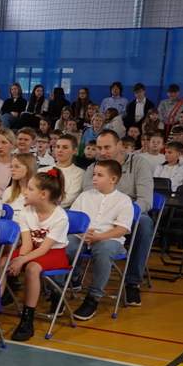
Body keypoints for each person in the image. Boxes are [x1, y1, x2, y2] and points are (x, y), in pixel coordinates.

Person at [66, 160, 135, 321]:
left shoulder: (124, 200)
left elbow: (122, 229)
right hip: (83, 236)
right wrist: (83, 233)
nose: (94, 178)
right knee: (67, 244)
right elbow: (73, 219)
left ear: (113, 179)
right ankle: (68, 283)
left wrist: (99, 237)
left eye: (99, 175)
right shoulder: (85, 196)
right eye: (94, 174)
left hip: (110, 239)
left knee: (104, 249)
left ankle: (93, 298)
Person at [8, 170, 70, 341]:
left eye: (30, 189)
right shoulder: (26, 212)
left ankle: (27, 319)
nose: (24, 192)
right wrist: (18, 259)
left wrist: (22, 260)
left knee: (32, 268)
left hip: (54, 253)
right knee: (3, 261)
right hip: (33, 249)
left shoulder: (60, 217)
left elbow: (44, 249)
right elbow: (27, 244)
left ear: (43, 194)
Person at [94, 130, 153, 304]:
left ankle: (132, 282)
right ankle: (73, 278)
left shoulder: (139, 163)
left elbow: (145, 200)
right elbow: (88, 194)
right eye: (99, 148)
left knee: (144, 223)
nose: (103, 152)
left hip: (130, 212)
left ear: (120, 145)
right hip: (102, 213)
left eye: (107, 147)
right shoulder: (95, 166)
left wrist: (125, 214)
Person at [42, 134, 85, 206]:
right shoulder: (42, 170)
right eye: (57, 147)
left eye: (65, 147)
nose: (60, 150)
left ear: (74, 151)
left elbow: (68, 199)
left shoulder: (80, 173)